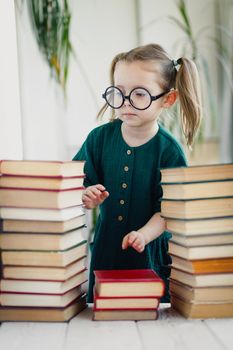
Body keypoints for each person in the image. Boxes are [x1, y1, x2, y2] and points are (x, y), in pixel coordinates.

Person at [73, 43, 202, 302]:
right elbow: (74, 183)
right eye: (119, 92)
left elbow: (169, 210)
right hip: (106, 253)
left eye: (140, 94)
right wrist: (85, 194)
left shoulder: (170, 152)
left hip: (150, 257)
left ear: (168, 99)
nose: (126, 103)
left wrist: (143, 235)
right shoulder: (99, 139)